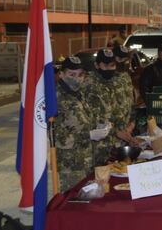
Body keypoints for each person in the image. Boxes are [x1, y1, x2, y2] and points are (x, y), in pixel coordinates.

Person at [53, 56, 111, 191]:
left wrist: (101, 126)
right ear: (61, 74)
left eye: (80, 75)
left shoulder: (78, 94)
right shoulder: (55, 100)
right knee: (72, 204)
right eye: (71, 74)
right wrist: (88, 135)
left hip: (87, 160)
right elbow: (55, 138)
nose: (76, 78)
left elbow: (83, 122)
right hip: (70, 167)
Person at [85, 48, 137, 165]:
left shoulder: (112, 81)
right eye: (105, 65)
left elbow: (117, 110)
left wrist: (127, 129)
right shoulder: (89, 85)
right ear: (97, 65)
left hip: (113, 144)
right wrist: (117, 132)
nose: (109, 69)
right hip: (97, 147)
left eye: (112, 65)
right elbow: (93, 119)